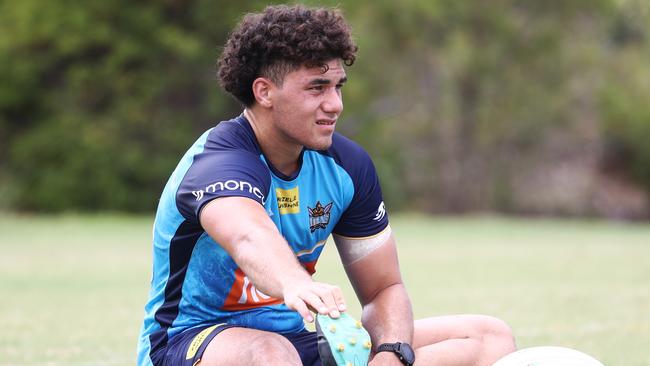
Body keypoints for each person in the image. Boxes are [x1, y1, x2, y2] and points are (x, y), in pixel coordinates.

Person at [137, 4, 516, 366]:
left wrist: (391, 352)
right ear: (264, 92)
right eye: (317, 88)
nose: (335, 104)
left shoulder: (347, 167)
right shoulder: (217, 164)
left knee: (487, 338)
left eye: (338, 86)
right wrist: (294, 283)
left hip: (296, 344)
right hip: (191, 342)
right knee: (270, 354)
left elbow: (384, 289)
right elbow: (248, 237)